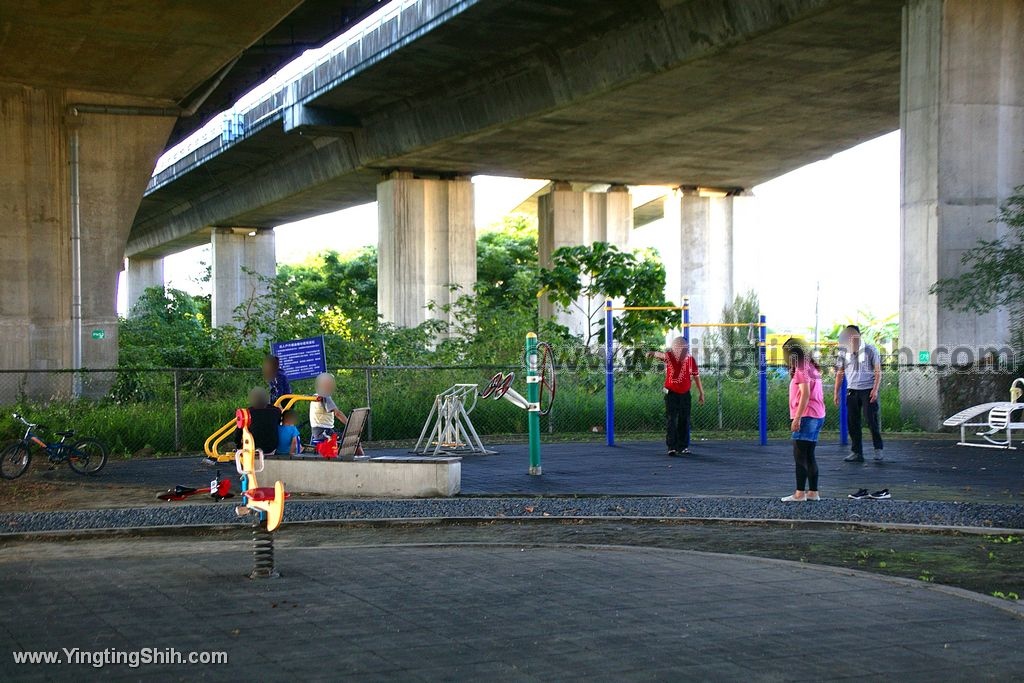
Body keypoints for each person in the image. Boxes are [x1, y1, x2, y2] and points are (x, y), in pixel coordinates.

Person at [781, 338, 826, 502]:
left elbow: (805, 394)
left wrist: (797, 418)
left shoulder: (801, 367)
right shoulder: (811, 366)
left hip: (807, 415)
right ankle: (813, 492)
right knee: (809, 455)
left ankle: (799, 493)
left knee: (800, 456)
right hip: (817, 414)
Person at [833, 325, 884, 462]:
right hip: (852, 391)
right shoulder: (843, 352)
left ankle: (878, 449)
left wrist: (875, 389)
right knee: (853, 423)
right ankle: (857, 452)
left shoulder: (870, 350)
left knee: (871, 420)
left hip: (867, 390)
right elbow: (840, 373)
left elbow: (878, 371)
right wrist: (836, 392)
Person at [647, 337, 704, 455]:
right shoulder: (670, 356)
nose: (679, 349)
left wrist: (701, 393)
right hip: (671, 393)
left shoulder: (690, 360)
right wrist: (652, 353)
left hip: (685, 395)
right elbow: (661, 355)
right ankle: (672, 447)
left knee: (684, 420)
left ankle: (682, 446)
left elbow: (696, 377)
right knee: (671, 419)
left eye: (682, 347)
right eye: (676, 347)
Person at [233, 387, 281, 455]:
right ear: (267, 398)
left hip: (252, 449)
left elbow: (238, 433)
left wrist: (238, 445)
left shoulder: (247, 413)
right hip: (271, 449)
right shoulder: (276, 411)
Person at [310, 372, 349, 442]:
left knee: (347, 438)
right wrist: (350, 424)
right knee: (353, 439)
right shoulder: (324, 395)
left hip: (318, 431)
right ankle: (360, 453)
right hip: (324, 432)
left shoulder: (316, 395)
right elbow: (337, 413)